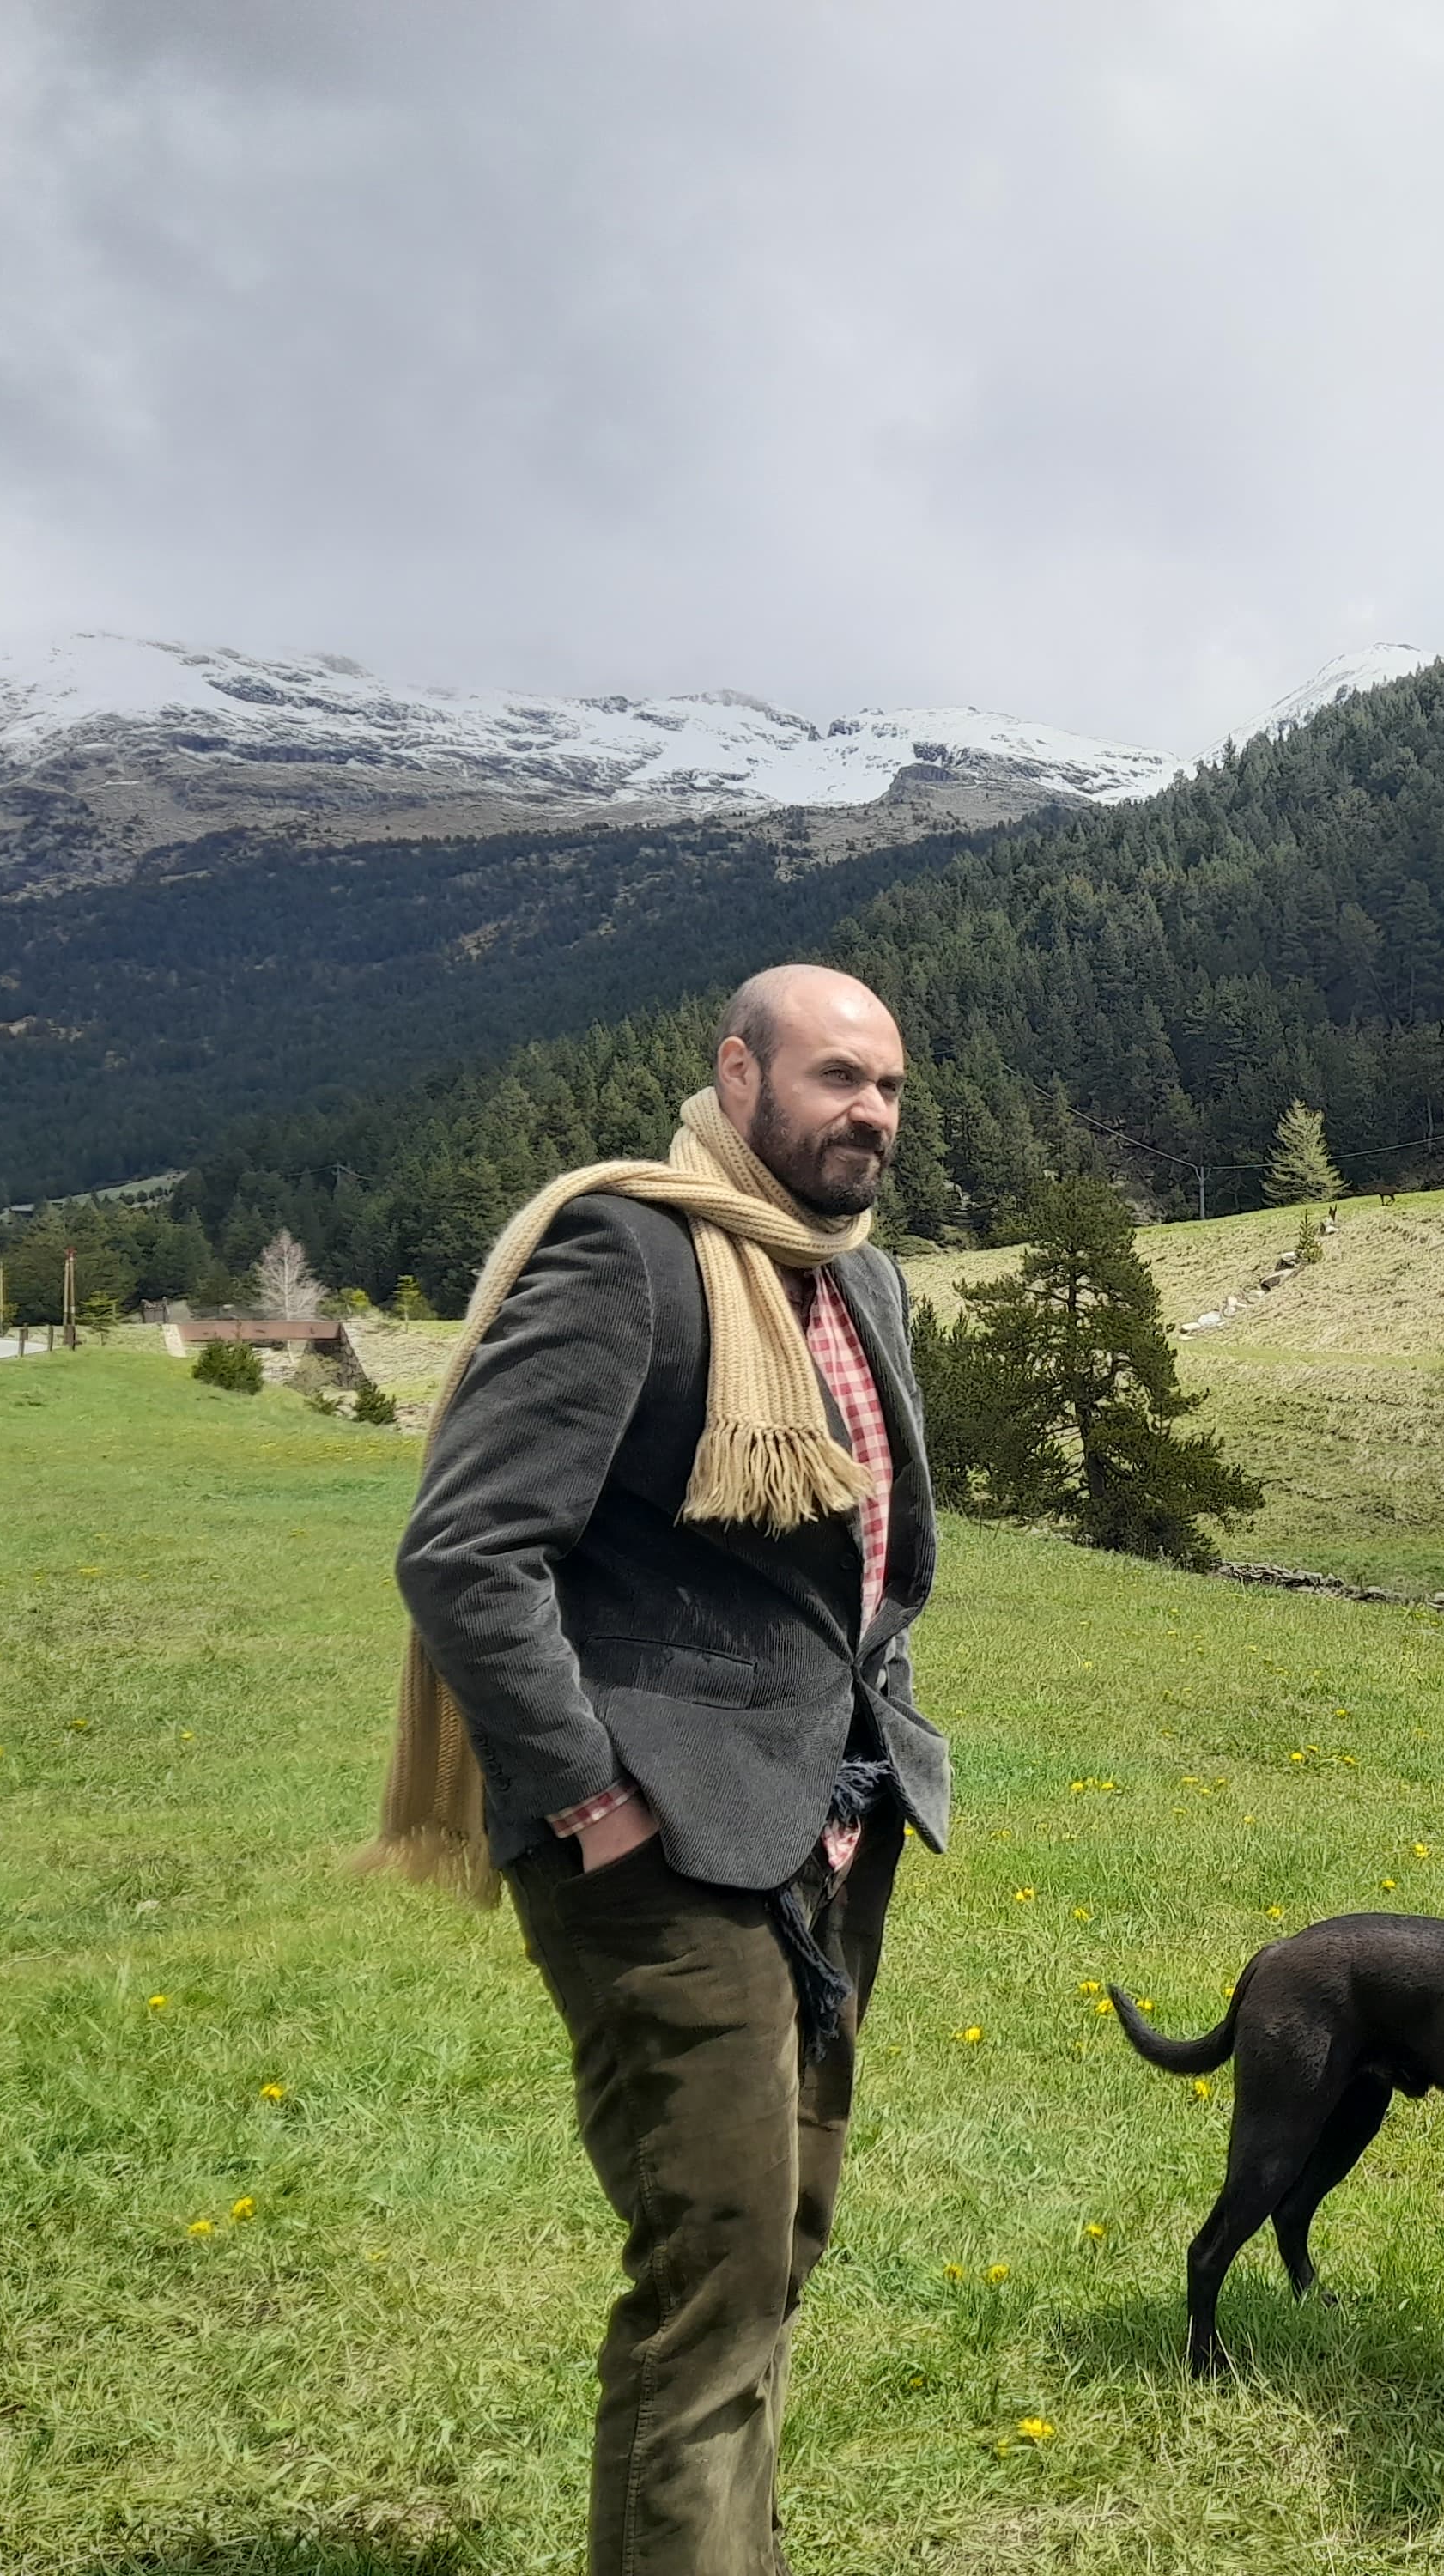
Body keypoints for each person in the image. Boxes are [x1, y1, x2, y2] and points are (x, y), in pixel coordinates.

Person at [379, 963, 945, 2576]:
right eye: (837, 1078)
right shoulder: (627, 1253)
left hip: (827, 1835)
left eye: (890, 1088)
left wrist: (877, 1749)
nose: (871, 1115)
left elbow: (869, 1575)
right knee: (716, 2271)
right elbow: (467, 1552)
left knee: (778, 2250)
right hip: (659, 1850)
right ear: (738, 1074)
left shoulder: (863, 1282)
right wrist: (590, 1797)